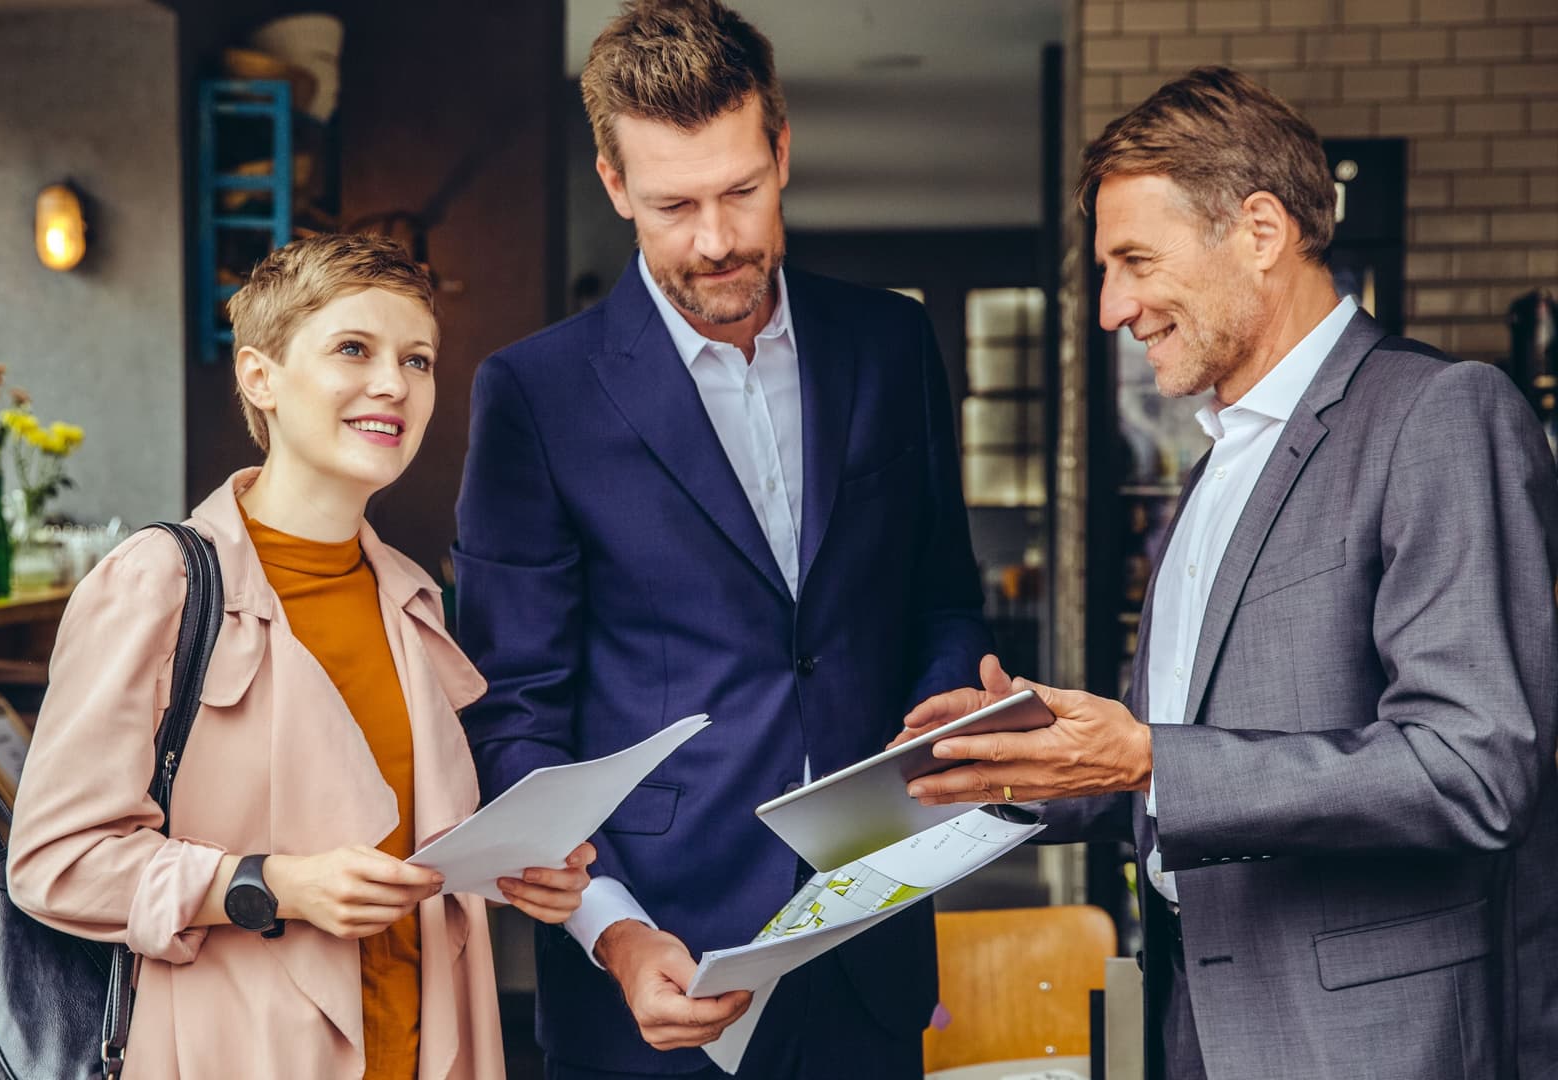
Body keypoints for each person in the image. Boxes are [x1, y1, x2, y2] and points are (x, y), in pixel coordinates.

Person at [900, 67, 1558, 1080]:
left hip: (1368, 1047)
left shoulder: (1441, 415)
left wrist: (1153, 757)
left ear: (1260, 232)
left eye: (1134, 261)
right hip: (1198, 1026)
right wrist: (1023, 761)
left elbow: (1475, 768)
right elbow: (1172, 757)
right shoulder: (1218, 464)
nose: (1114, 306)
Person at [452, 2, 993, 1076]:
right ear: (615, 187)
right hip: (656, 958)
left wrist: (952, 703)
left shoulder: (891, 342)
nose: (716, 240)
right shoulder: (534, 394)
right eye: (673, 203)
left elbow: (939, 595)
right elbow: (514, 710)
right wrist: (612, 927)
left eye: (742, 191)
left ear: (783, 150)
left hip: (871, 940)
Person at [7, 233, 596, 1079]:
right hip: (236, 1052)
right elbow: (54, 861)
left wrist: (512, 868)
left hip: (424, 1043)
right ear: (260, 377)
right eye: (354, 349)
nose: (394, 383)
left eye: (418, 360)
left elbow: (405, 849)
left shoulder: (413, 599)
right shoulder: (159, 582)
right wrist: (271, 884)